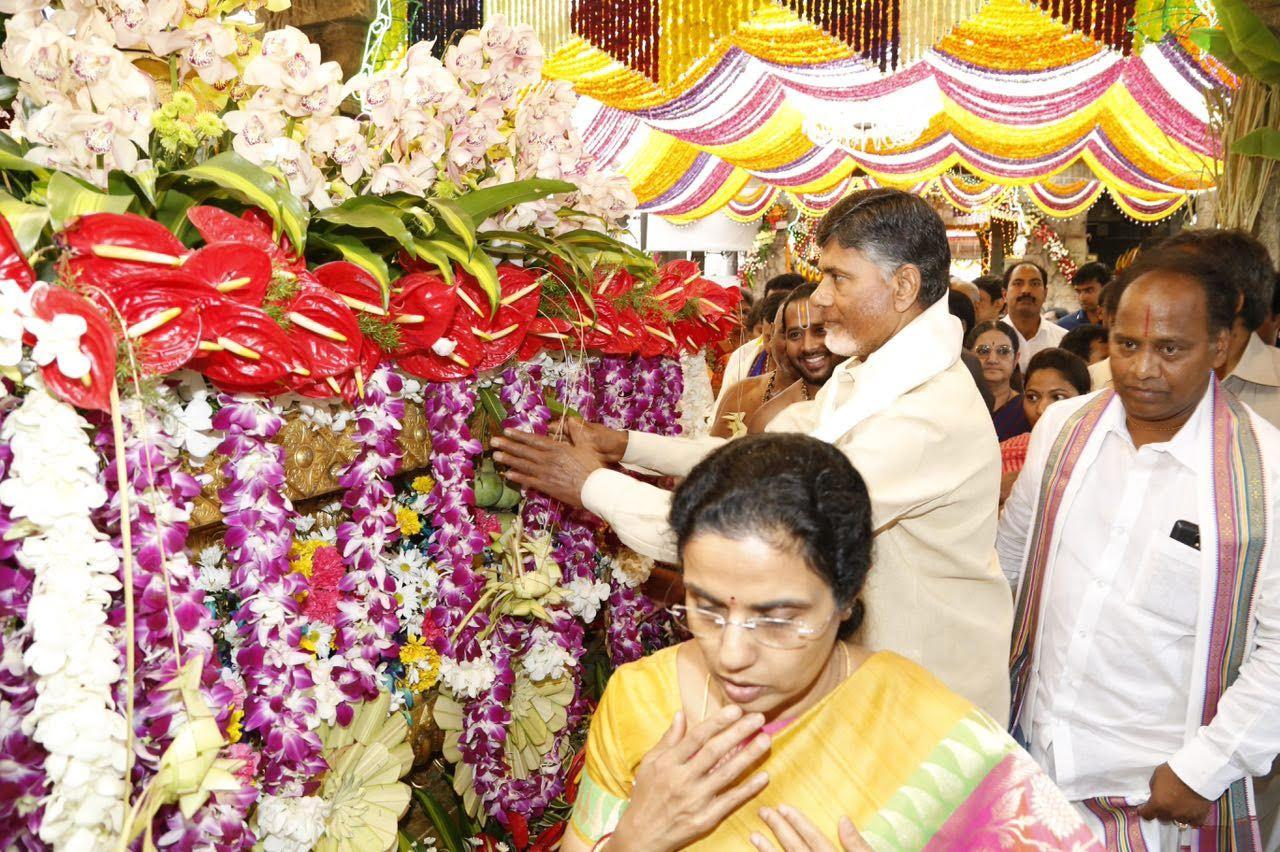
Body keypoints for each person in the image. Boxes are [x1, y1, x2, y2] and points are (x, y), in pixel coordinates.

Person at [492, 188, 1014, 722]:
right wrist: (625, 445)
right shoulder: (872, 374)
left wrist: (591, 485)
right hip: (872, 687)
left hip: (924, 705)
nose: (822, 298)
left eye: (839, 277)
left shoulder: (927, 412)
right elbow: (759, 462)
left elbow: (768, 530)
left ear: (903, 285)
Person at [564, 434, 1101, 851]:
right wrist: (635, 840)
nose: (730, 655)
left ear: (847, 595)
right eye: (704, 607)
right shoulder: (640, 699)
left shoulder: (921, 725)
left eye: (775, 619)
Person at [998, 245, 1280, 850]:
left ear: (1221, 348)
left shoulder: (1268, 473)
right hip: (1032, 757)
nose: (1142, 368)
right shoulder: (1061, 429)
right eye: (1127, 345)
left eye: (1170, 349)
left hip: (1156, 791)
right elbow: (1010, 562)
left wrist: (1205, 768)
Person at [711, 284, 836, 437]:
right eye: (792, 334)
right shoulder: (743, 395)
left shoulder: (852, 386)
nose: (807, 346)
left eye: (820, 331)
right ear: (768, 336)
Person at [998, 348, 1091, 505]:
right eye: (1032, 397)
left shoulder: (1101, 458)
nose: (1041, 409)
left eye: (1058, 397)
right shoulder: (1004, 454)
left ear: (1086, 400)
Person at [717, 288, 792, 406]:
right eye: (767, 337)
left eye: (781, 336)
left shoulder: (807, 364)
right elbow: (721, 412)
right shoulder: (743, 356)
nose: (772, 344)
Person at [968, 320, 1030, 442]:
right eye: (983, 351)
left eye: (1003, 351)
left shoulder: (1027, 409)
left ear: (1016, 359)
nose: (992, 359)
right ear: (969, 356)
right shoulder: (956, 404)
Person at [1004, 260, 1067, 370]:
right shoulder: (988, 338)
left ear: (1045, 293)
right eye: (1018, 283)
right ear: (1004, 294)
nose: (1026, 290)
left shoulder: (1063, 340)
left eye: (1035, 284)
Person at [1058, 262, 1112, 331]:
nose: (1082, 298)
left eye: (1089, 290)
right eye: (1078, 291)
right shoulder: (1064, 326)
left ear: (1107, 288)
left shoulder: (1120, 324)